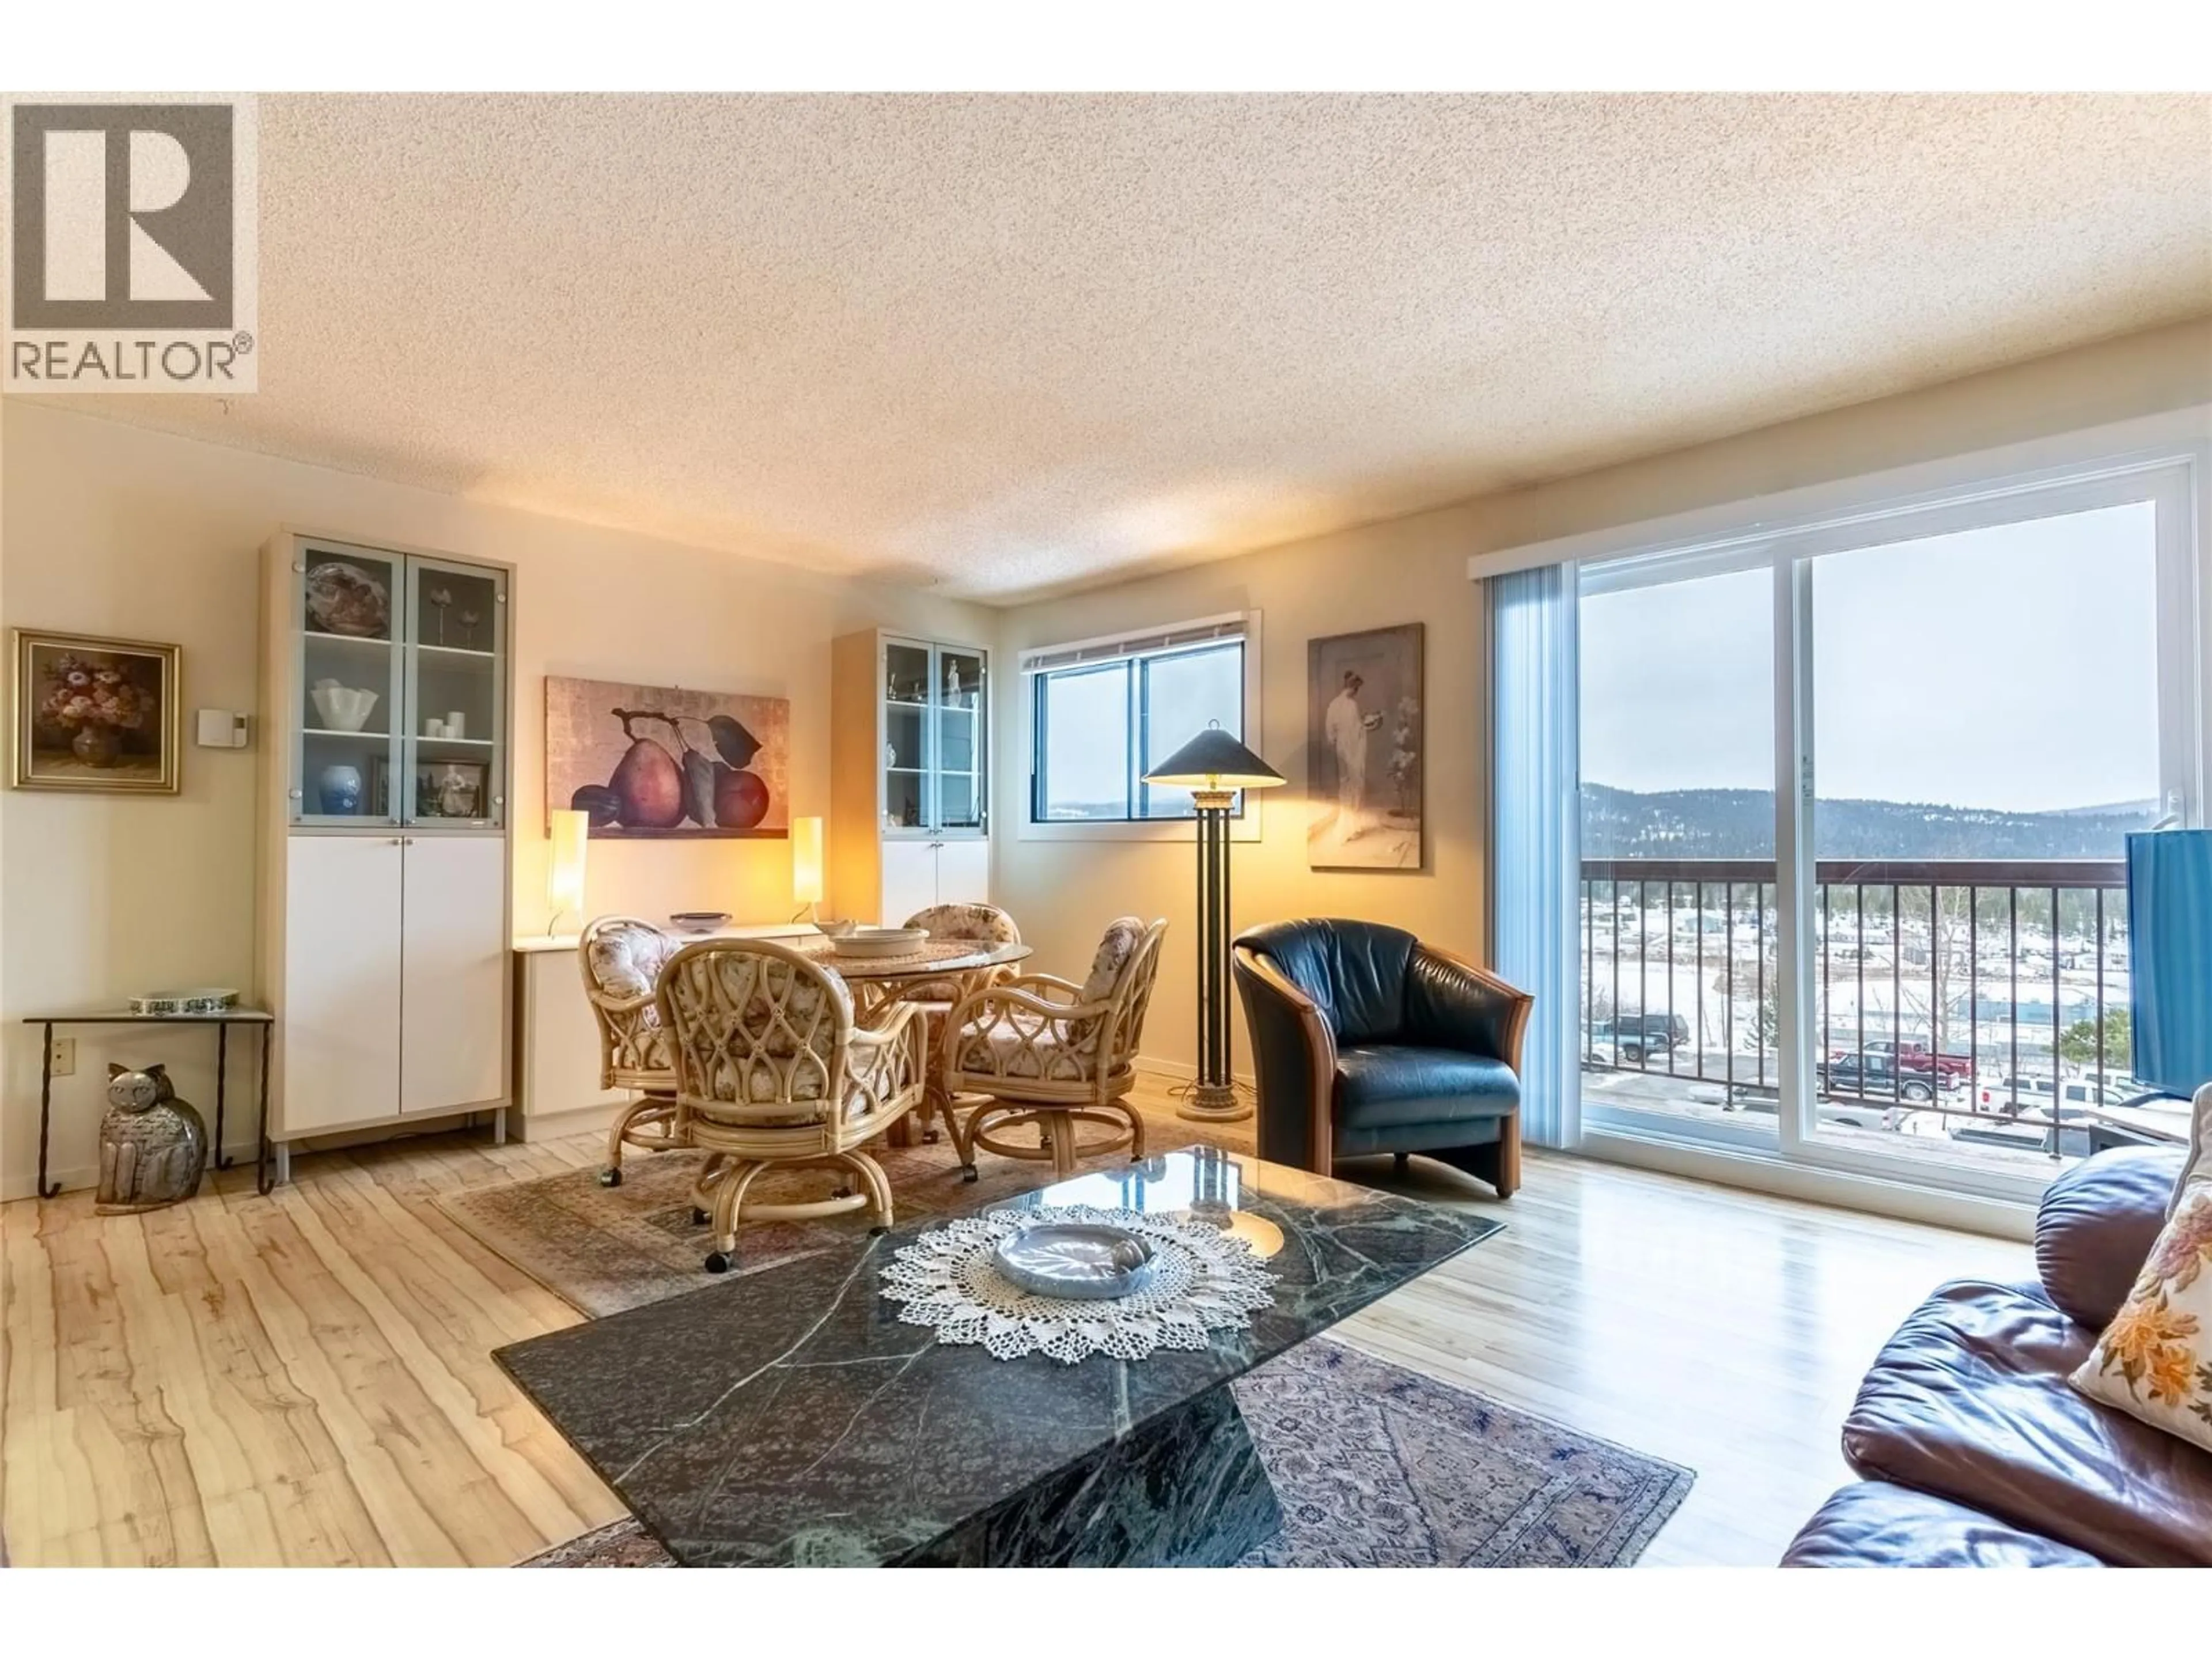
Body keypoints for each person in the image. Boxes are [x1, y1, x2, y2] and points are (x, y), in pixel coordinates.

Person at [1323, 670, 1381, 838]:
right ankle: (1350, 826)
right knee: (1355, 781)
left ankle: (1349, 824)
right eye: (1356, 688)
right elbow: (1357, 728)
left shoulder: (1333, 704)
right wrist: (1371, 722)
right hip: (1353, 747)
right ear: (1354, 688)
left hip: (1342, 746)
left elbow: (1330, 731)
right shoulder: (1351, 705)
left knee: (1345, 782)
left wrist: (1336, 741)